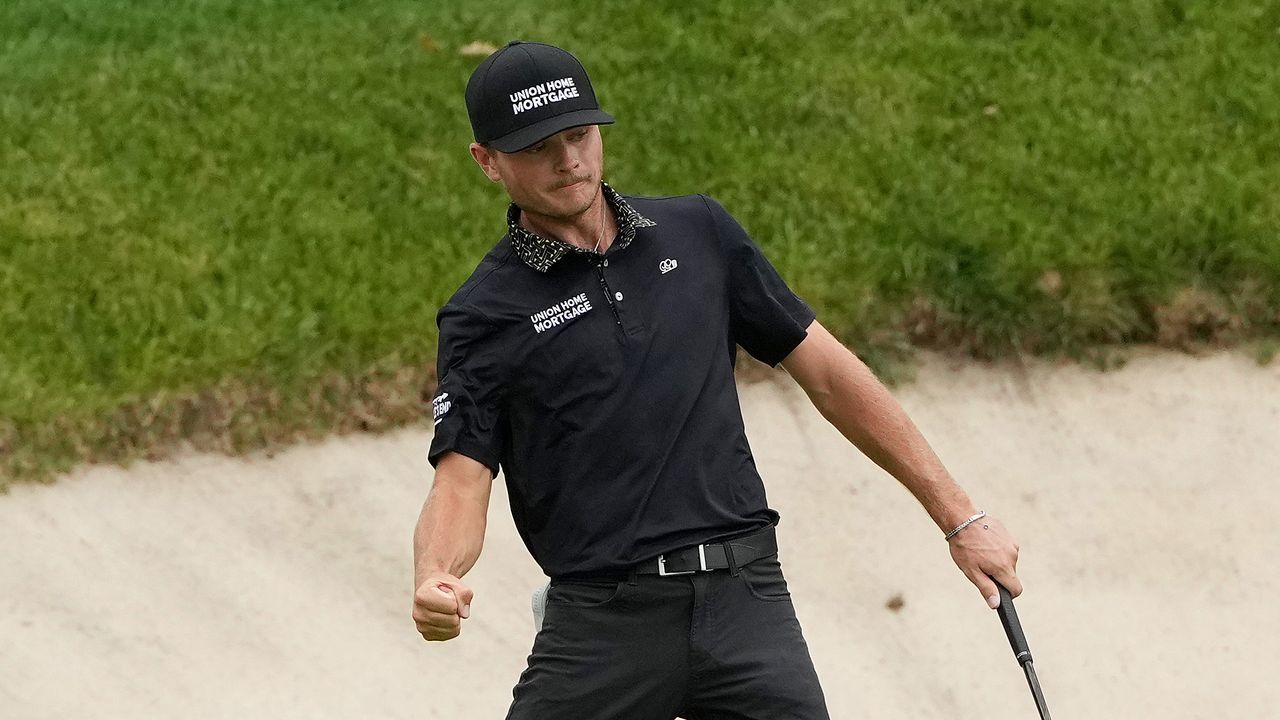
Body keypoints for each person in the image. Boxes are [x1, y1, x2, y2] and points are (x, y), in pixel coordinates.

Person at [413, 40, 1022, 719]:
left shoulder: (697, 233)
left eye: (580, 134)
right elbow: (462, 475)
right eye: (537, 148)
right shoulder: (483, 313)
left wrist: (959, 516)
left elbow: (829, 375)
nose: (569, 160)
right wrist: (436, 574)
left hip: (745, 600)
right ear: (487, 161)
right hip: (603, 626)